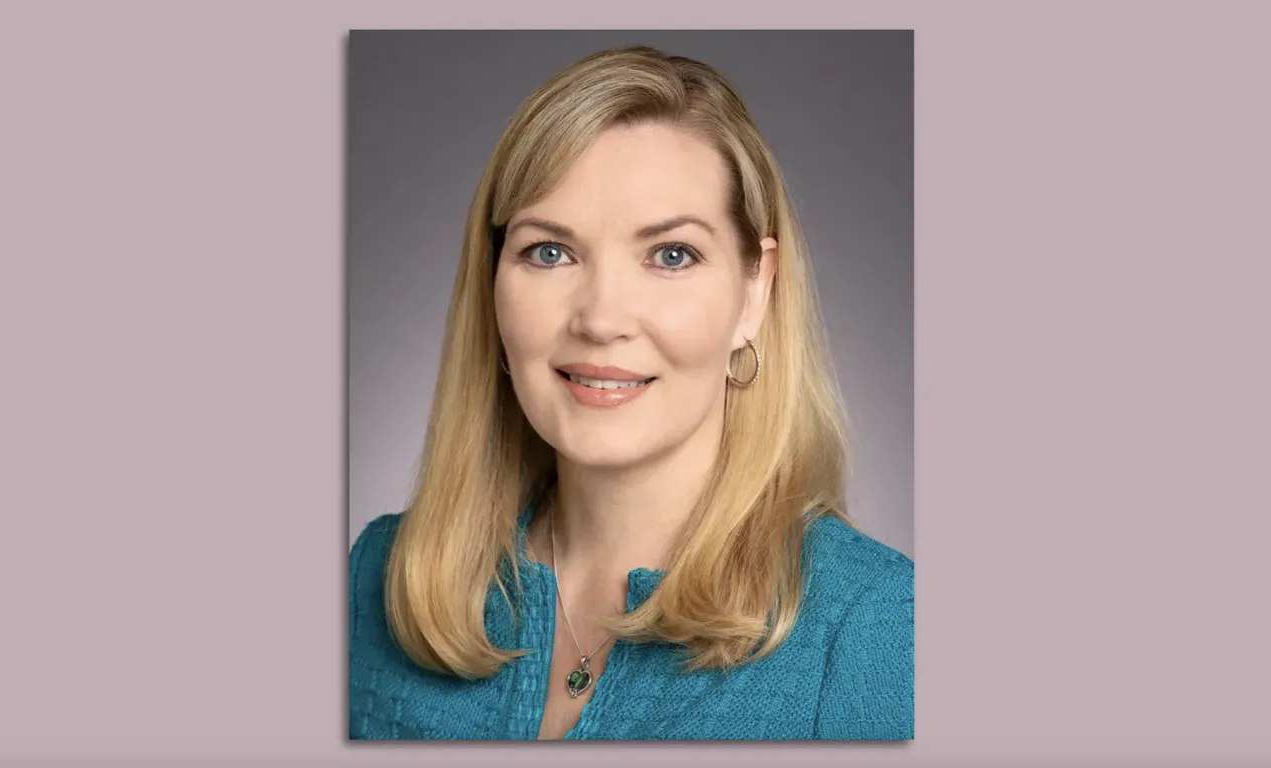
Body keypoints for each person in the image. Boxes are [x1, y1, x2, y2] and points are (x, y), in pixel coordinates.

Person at [348, 45, 914, 741]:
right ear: (492, 284)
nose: (601, 319)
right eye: (549, 252)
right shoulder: (375, 580)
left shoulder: (876, 628)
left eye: (671, 255)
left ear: (754, 292)